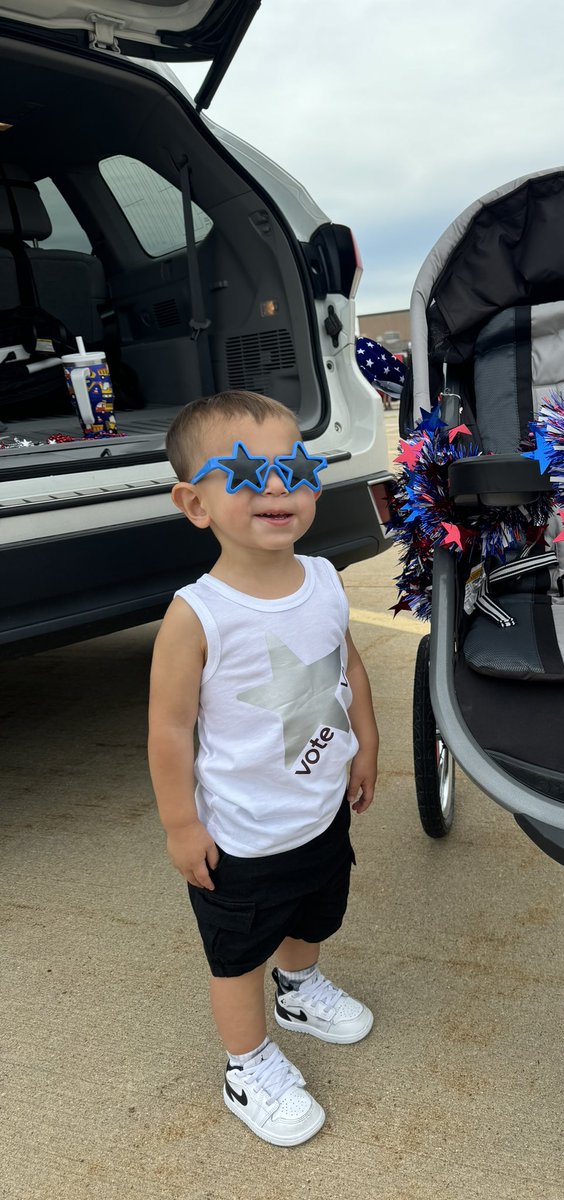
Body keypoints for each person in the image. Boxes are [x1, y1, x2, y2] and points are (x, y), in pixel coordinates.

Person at [148, 389, 379, 1148]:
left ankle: (301, 987)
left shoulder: (323, 577)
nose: (277, 487)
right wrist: (182, 825)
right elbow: (170, 731)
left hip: (318, 811)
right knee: (239, 955)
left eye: (295, 466)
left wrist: (366, 742)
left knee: (315, 914)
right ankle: (247, 1064)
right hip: (240, 838)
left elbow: (347, 664)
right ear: (195, 503)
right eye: (248, 471)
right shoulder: (197, 615)